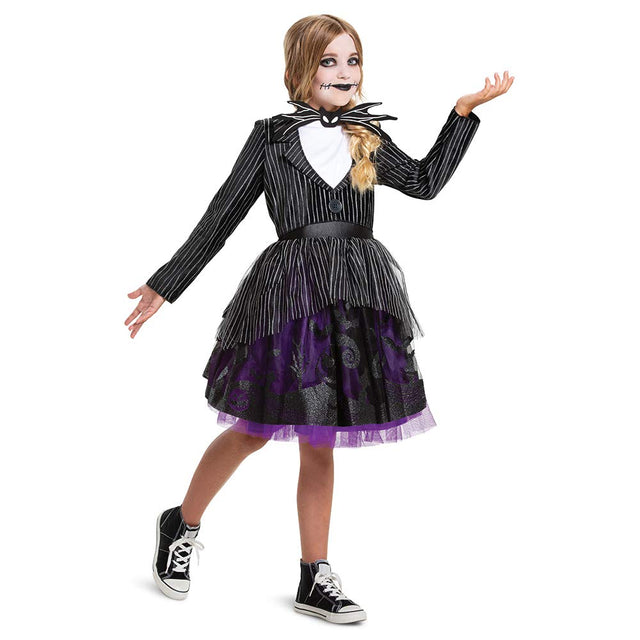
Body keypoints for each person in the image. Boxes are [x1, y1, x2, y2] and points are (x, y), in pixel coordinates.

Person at [125, 13, 514, 624]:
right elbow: (221, 216)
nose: (344, 71)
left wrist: (462, 114)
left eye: (353, 60)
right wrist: (165, 284)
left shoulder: (366, 136)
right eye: (329, 60)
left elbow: (425, 182)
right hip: (290, 298)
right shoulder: (271, 137)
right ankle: (182, 523)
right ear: (300, 69)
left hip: (353, 297)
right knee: (253, 429)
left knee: (319, 438)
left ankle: (315, 575)